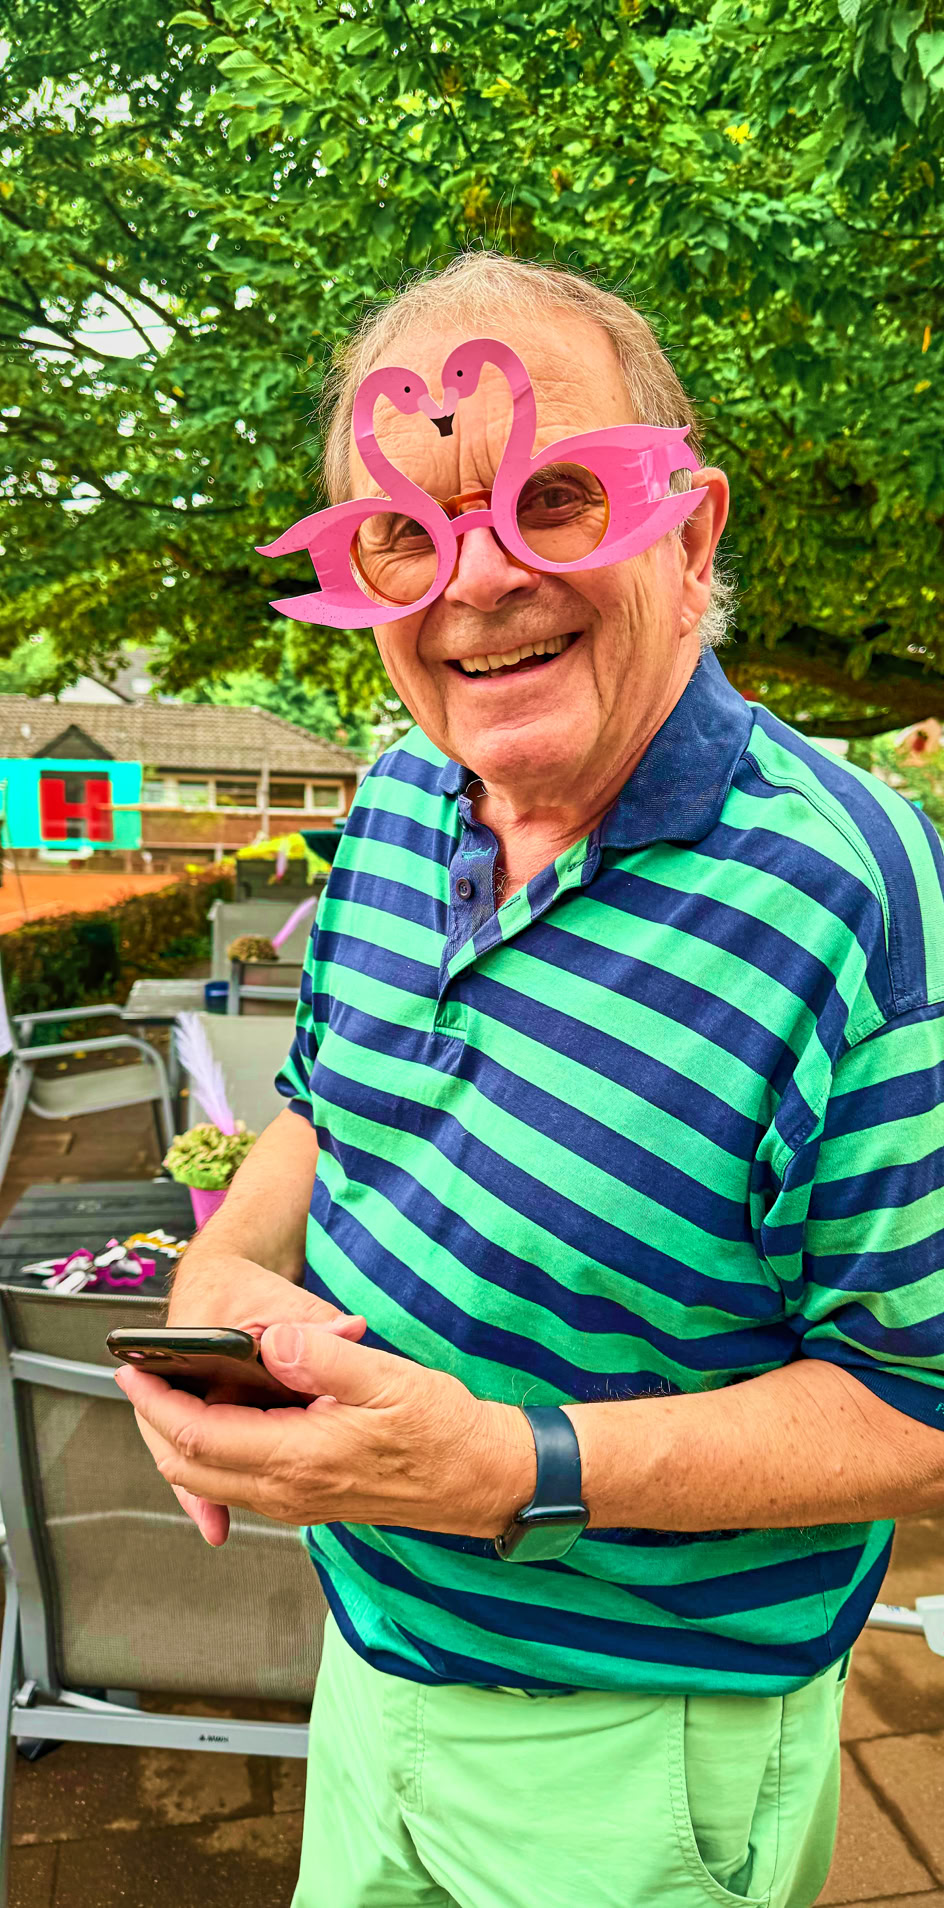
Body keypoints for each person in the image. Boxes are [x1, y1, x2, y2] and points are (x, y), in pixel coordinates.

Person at [118, 254, 944, 1908]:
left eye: (554, 499)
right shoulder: (406, 803)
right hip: (367, 1672)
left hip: (648, 1746)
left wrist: (516, 1468)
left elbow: (916, 1415)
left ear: (692, 532)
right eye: (403, 539)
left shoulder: (858, 895)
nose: (475, 585)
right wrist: (221, 1271)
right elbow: (329, 1107)